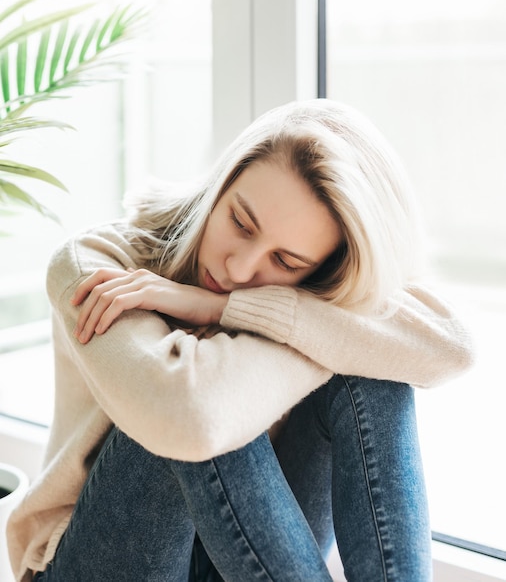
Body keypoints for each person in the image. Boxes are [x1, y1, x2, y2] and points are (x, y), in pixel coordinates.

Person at [7, 99, 472, 582]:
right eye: (240, 223)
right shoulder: (99, 263)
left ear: (323, 267)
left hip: (241, 557)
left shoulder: (305, 290)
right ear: (223, 184)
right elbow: (188, 417)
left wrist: (227, 309)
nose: (239, 268)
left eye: (286, 263)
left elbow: (454, 346)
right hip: (93, 562)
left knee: (376, 378)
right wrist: (330, 337)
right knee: (199, 396)